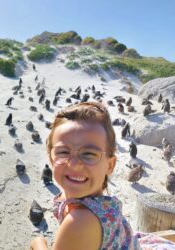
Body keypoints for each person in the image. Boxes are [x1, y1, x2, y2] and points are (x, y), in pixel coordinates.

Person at [30, 102, 175, 250]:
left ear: (110, 165)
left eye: (88, 154)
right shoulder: (92, 202)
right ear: (51, 158)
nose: (73, 164)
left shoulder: (79, 222)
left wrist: (38, 242)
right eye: (63, 152)